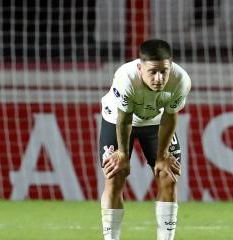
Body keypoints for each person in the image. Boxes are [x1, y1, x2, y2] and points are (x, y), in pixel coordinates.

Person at [98, 39, 191, 240]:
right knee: (115, 175)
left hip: (156, 123)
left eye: (163, 71)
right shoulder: (126, 77)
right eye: (152, 72)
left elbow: (170, 117)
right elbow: (125, 119)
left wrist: (163, 155)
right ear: (140, 68)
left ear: (171, 66)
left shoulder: (181, 80)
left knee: (168, 174)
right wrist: (122, 154)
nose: (159, 78)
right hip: (117, 120)